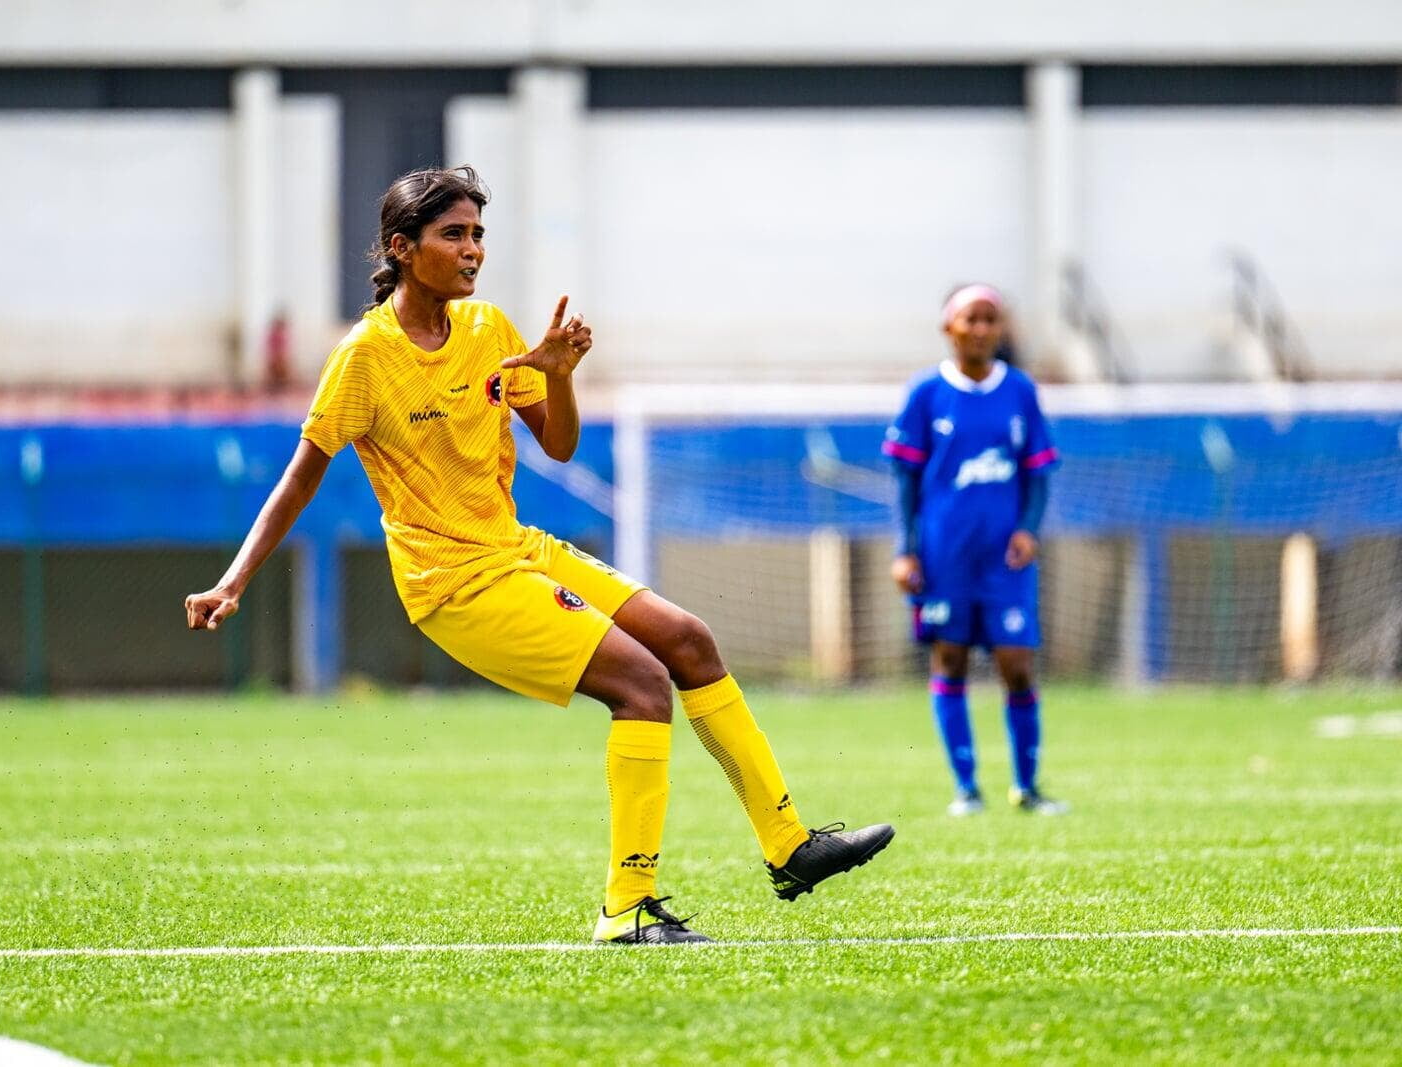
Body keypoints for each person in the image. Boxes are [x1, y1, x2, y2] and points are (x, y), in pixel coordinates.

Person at [185, 166, 894, 945]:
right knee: (642, 683)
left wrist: (560, 378)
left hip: (517, 547)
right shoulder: (365, 357)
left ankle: (789, 844)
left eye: (478, 234)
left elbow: (558, 442)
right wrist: (232, 581)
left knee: (688, 640)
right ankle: (626, 909)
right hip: (453, 583)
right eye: (454, 235)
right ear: (402, 247)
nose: (473, 250)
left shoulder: (488, 329)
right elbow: (299, 477)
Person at [882, 284, 1067, 817]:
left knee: (1017, 665)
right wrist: (905, 550)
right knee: (951, 660)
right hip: (945, 557)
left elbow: (1038, 472)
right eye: (972, 319)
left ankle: (1027, 787)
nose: (982, 329)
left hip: (1005, 560)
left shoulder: (1020, 391)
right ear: (950, 327)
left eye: (991, 319)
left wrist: (1029, 528)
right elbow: (905, 481)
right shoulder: (926, 393)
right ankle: (966, 789)